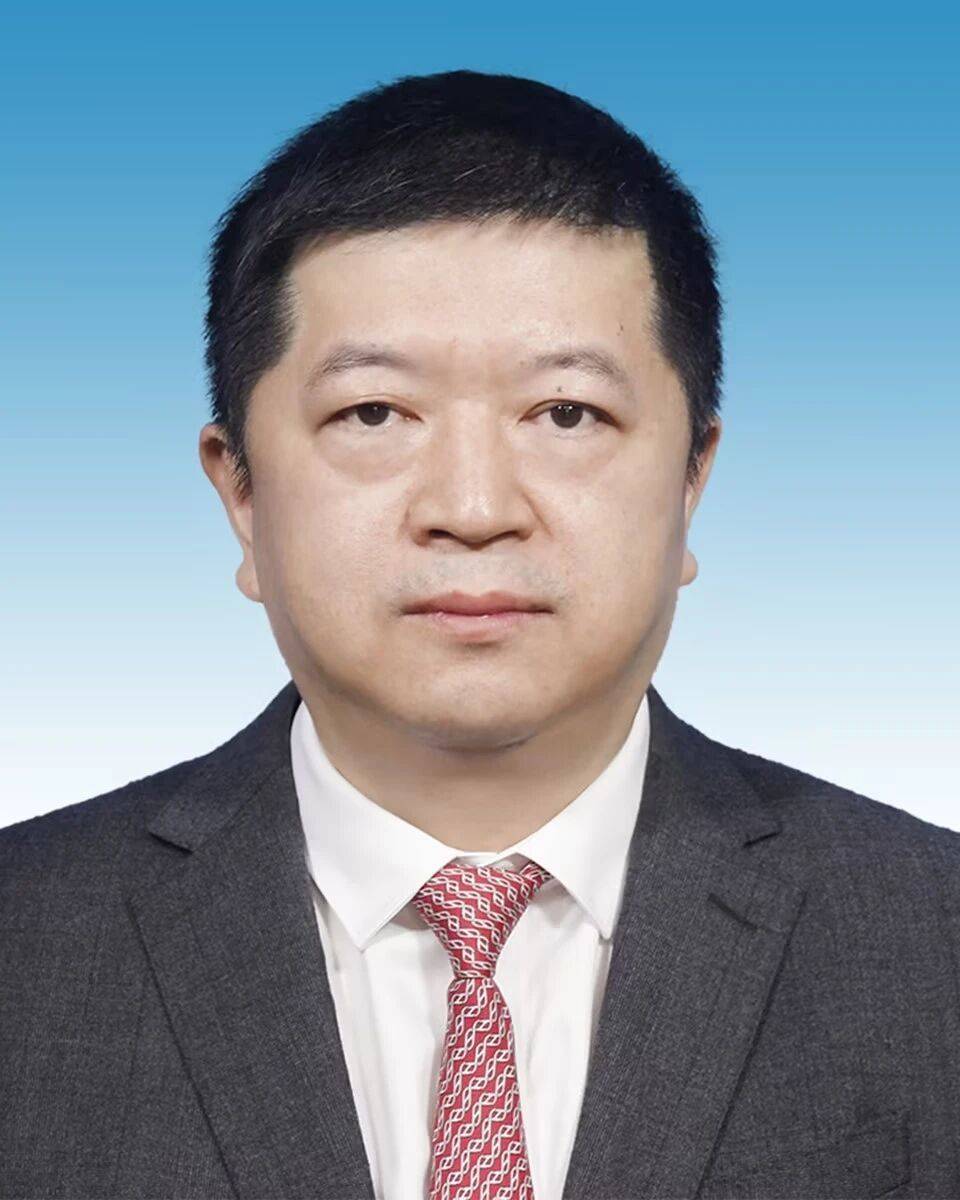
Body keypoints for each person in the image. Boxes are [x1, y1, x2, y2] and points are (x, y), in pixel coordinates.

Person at [1, 68, 956, 1200]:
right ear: (241, 493)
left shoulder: (929, 940)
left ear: (692, 479)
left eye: (566, 413)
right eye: (373, 413)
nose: (472, 506)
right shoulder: (27, 947)